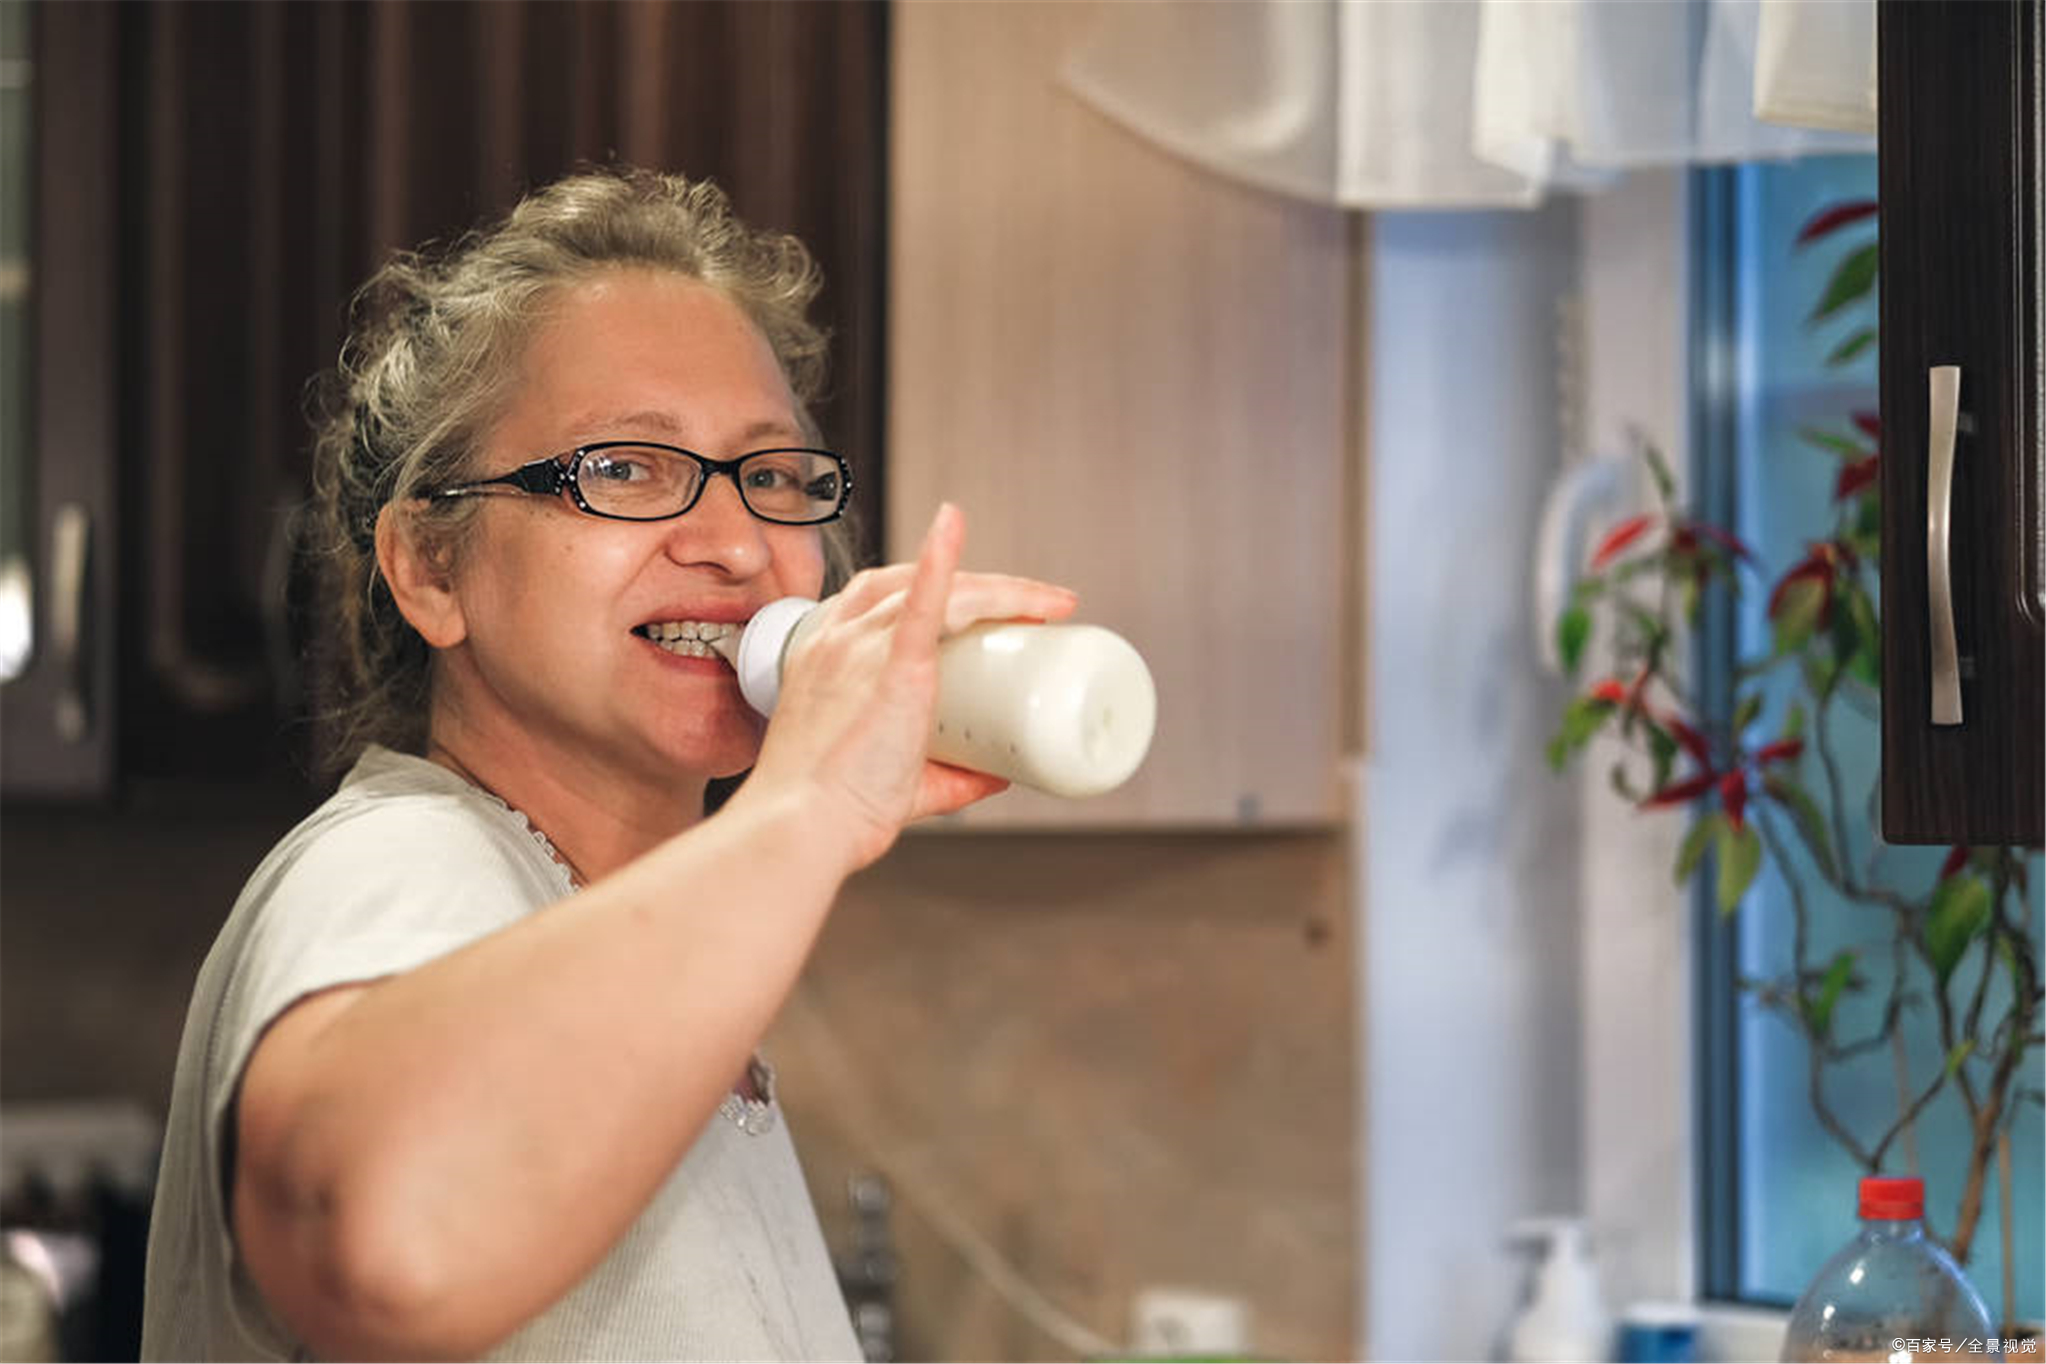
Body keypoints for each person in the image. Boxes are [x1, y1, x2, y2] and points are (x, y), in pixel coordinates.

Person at [140, 168, 1076, 1361]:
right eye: (625, 467)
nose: (740, 545)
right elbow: (378, 1239)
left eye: (776, 475)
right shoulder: (409, 863)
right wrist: (809, 807)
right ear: (431, 567)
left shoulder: (644, 942)